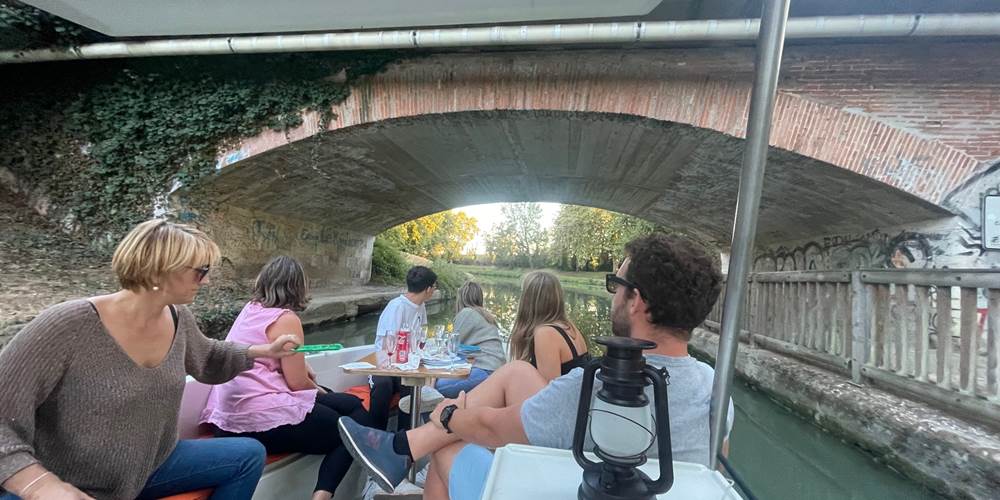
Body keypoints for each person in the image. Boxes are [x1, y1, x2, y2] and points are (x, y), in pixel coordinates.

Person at [338, 233, 735, 500]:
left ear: (636, 301)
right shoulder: (714, 387)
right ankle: (403, 448)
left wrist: (448, 416)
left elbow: (492, 429)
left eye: (617, 286)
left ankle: (407, 447)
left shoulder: (597, 386)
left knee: (451, 449)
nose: (613, 296)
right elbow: (717, 467)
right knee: (511, 374)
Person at [0, 219, 301, 500]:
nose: (206, 281)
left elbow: (207, 355)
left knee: (248, 456)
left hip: (151, 465)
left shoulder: (177, 316)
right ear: (161, 270)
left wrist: (263, 352)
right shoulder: (65, 325)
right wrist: (40, 485)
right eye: (201, 271)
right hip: (65, 478)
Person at [200, 256, 373, 500]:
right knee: (348, 430)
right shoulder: (286, 319)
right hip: (256, 418)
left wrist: (312, 380)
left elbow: (281, 368)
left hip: (228, 416)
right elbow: (298, 383)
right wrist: (322, 392)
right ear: (297, 286)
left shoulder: (251, 309)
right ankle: (323, 496)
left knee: (352, 405)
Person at [369, 266, 438, 430]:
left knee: (413, 386)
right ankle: (374, 434)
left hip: (406, 363)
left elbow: (422, 337)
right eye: (434, 287)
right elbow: (387, 347)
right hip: (385, 364)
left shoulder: (421, 307)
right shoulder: (396, 307)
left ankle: (404, 438)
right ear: (428, 289)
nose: (435, 290)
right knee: (383, 386)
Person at [508, 271, 591, 381]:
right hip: (575, 396)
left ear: (527, 300)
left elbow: (550, 392)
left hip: (564, 398)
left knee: (506, 375)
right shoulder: (568, 326)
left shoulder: (545, 333)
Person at [434, 282, 505, 398]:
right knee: (434, 386)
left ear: (461, 298)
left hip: (486, 370)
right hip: (494, 369)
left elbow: (451, 345)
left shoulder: (467, 313)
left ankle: (421, 413)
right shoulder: (485, 315)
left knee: (438, 387)